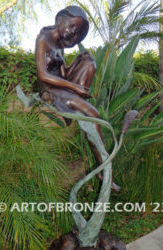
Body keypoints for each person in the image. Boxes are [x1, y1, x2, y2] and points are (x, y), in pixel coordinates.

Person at [35, 5, 119, 191]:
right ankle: (103, 169)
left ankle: (74, 107)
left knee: (89, 61)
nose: (73, 32)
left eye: (76, 30)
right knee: (94, 114)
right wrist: (75, 87)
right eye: (72, 26)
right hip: (51, 90)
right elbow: (43, 75)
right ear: (61, 19)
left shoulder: (60, 44)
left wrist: (82, 60)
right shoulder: (44, 38)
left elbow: (63, 73)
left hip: (62, 87)